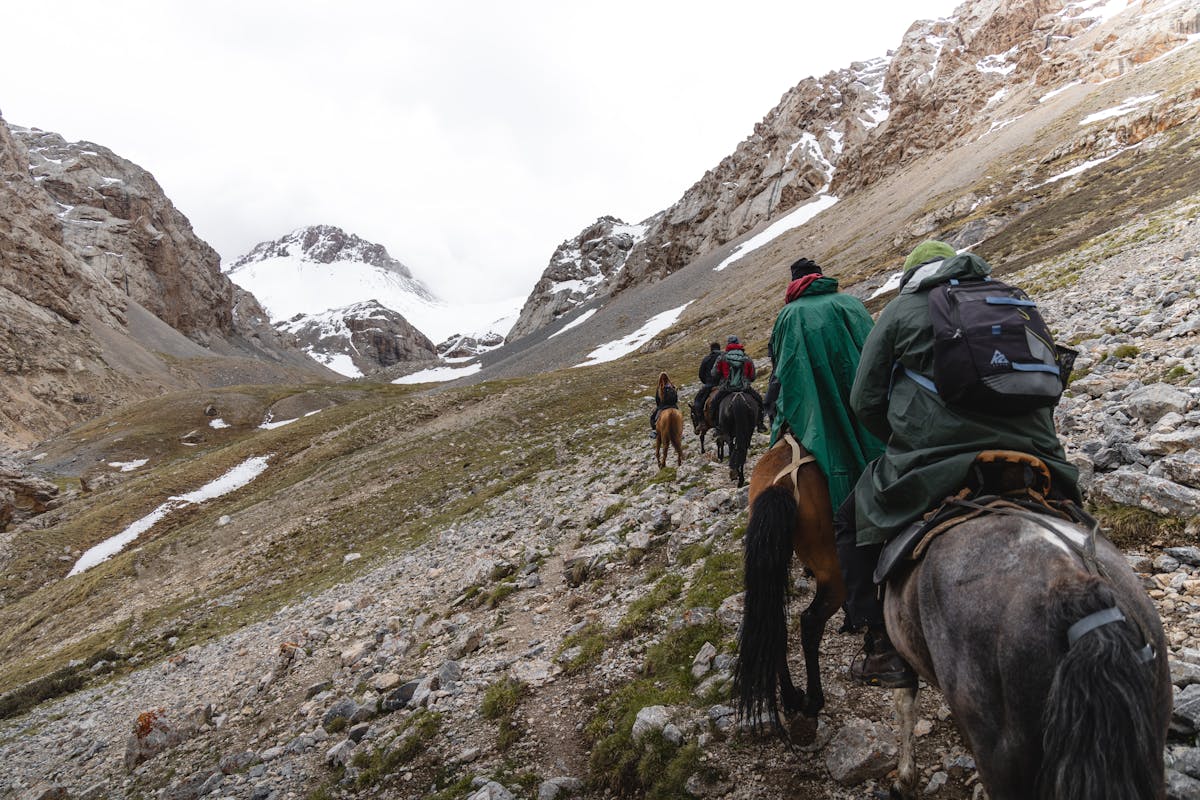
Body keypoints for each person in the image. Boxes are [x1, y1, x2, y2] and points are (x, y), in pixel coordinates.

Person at [841, 240, 1082, 687]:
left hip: (939, 459)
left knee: (850, 521)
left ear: (912, 275)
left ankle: (882, 647)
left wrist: (902, 439)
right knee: (1073, 514)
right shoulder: (1009, 298)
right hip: (1035, 451)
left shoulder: (902, 309)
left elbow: (864, 400)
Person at [767, 256, 884, 515]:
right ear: (821, 277)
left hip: (814, 404)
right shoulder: (851, 303)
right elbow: (874, 348)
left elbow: (781, 367)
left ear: (794, 282)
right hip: (862, 396)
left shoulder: (789, 314)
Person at [710, 335, 767, 432]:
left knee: (714, 404)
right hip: (744, 388)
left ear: (728, 344)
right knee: (759, 401)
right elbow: (752, 376)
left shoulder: (722, 357)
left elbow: (714, 373)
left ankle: (717, 427)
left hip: (726, 388)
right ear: (738, 343)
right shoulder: (746, 358)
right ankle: (760, 424)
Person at [691, 342, 722, 425]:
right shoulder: (724, 357)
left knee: (698, 401)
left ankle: (701, 421)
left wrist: (707, 382)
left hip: (710, 384)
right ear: (719, 348)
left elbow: (701, 374)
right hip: (723, 384)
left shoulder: (707, 359)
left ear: (711, 349)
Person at [649, 372, 679, 438]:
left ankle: (654, 431)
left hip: (663, 407)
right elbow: (676, 399)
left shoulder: (660, 388)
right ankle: (679, 431)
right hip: (674, 406)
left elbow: (657, 400)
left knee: (653, 418)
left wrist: (658, 407)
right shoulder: (672, 387)